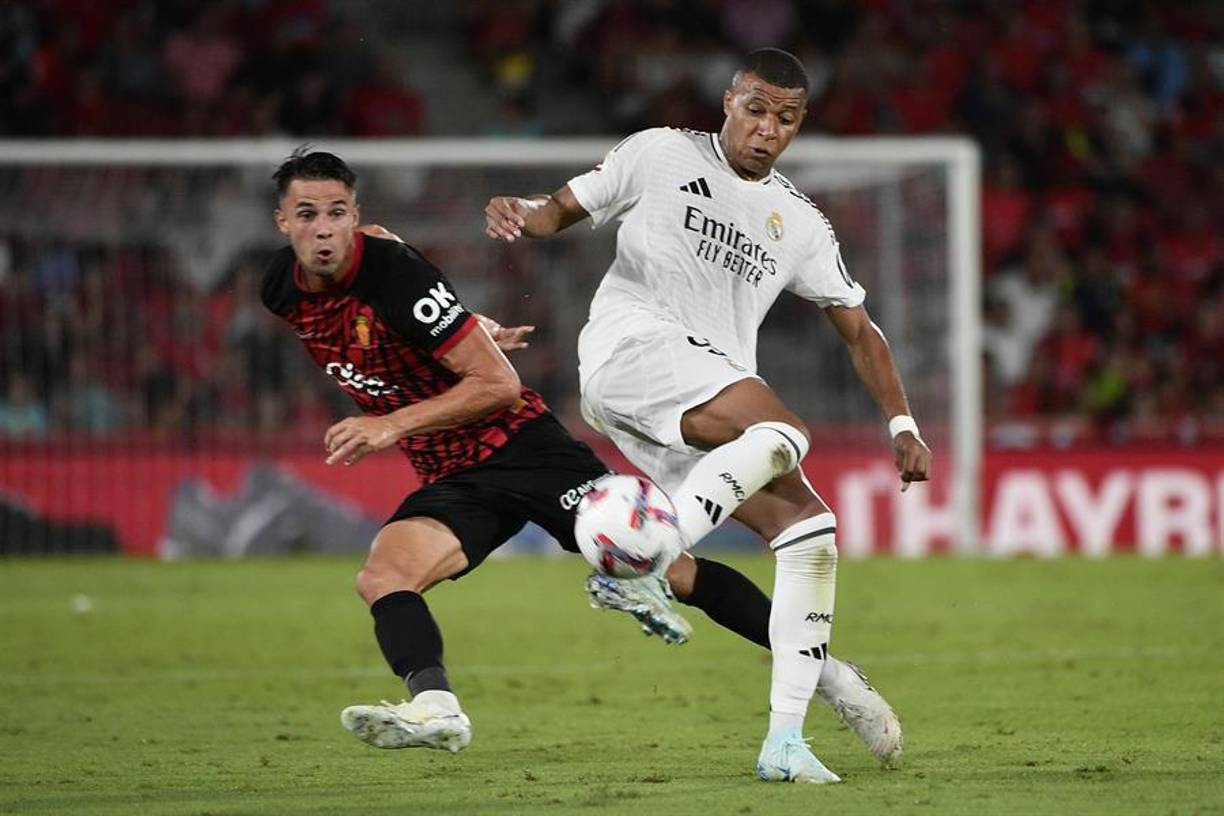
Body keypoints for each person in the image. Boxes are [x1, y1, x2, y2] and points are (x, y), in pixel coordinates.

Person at [262, 147, 858, 758]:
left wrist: (392, 422)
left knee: (667, 571)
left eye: (336, 212)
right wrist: (466, 326)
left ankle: (830, 675)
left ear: (354, 215)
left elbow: (500, 385)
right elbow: (403, 308)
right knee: (383, 576)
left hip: (523, 447)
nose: (323, 227)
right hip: (450, 472)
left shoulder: (395, 275)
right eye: (307, 214)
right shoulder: (280, 288)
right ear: (283, 222)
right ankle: (436, 707)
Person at [485, 48, 931, 783]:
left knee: (811, 532)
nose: (766, 129)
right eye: (755, 109)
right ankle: (644, 563)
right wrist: (521, 213)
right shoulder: (660, 153)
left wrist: (903, 424)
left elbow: (860, 330)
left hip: (699, 395)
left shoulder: (800, 221)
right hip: (633, 348)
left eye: (785, 118)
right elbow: (564, 208)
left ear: (799, 125)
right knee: (783, 432)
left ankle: (786, 741)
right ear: (727, 101)